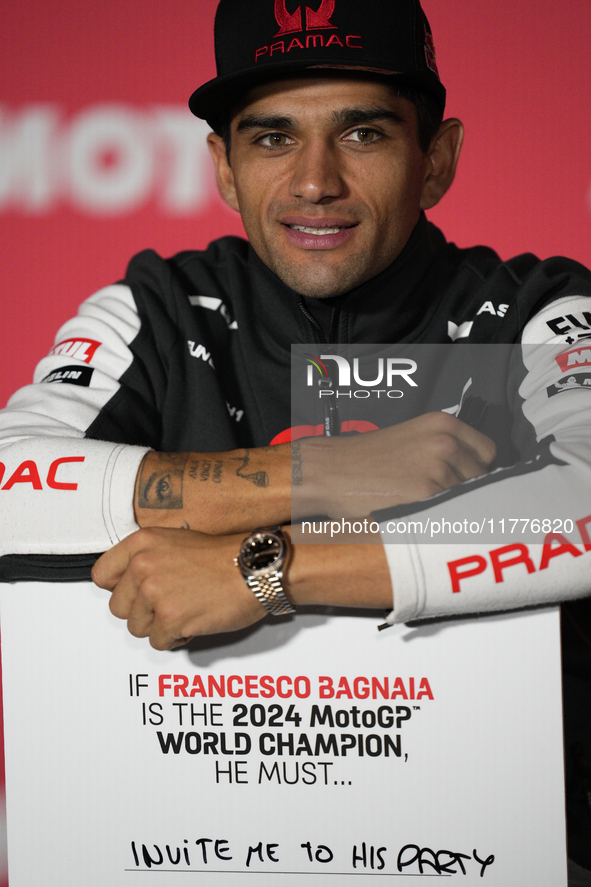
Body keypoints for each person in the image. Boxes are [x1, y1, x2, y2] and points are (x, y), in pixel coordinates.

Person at [1, 0, 590, 877]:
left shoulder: (539, 310)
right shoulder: (157, 307)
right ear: (224, 169)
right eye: (272, 138)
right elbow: (12, 483)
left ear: (437, 160)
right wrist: (309, 473)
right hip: (189, 850)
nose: (315, 182)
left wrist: (265, 569)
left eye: (362, 134)